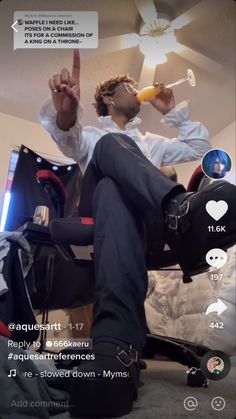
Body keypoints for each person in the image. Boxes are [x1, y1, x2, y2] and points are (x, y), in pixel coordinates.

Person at [39, 50, 236, 418]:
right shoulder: (95, 135)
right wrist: (66, 113)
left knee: (120, 186)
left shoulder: (153, 141)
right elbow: (68, 137)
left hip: (149, 227)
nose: (137, 89)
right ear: (110, 100)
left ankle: (116, 350)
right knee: (112, 162)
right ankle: (180, 214)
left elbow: (201, 149)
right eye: (128, 86)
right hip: (102, 217)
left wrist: (172, 111)